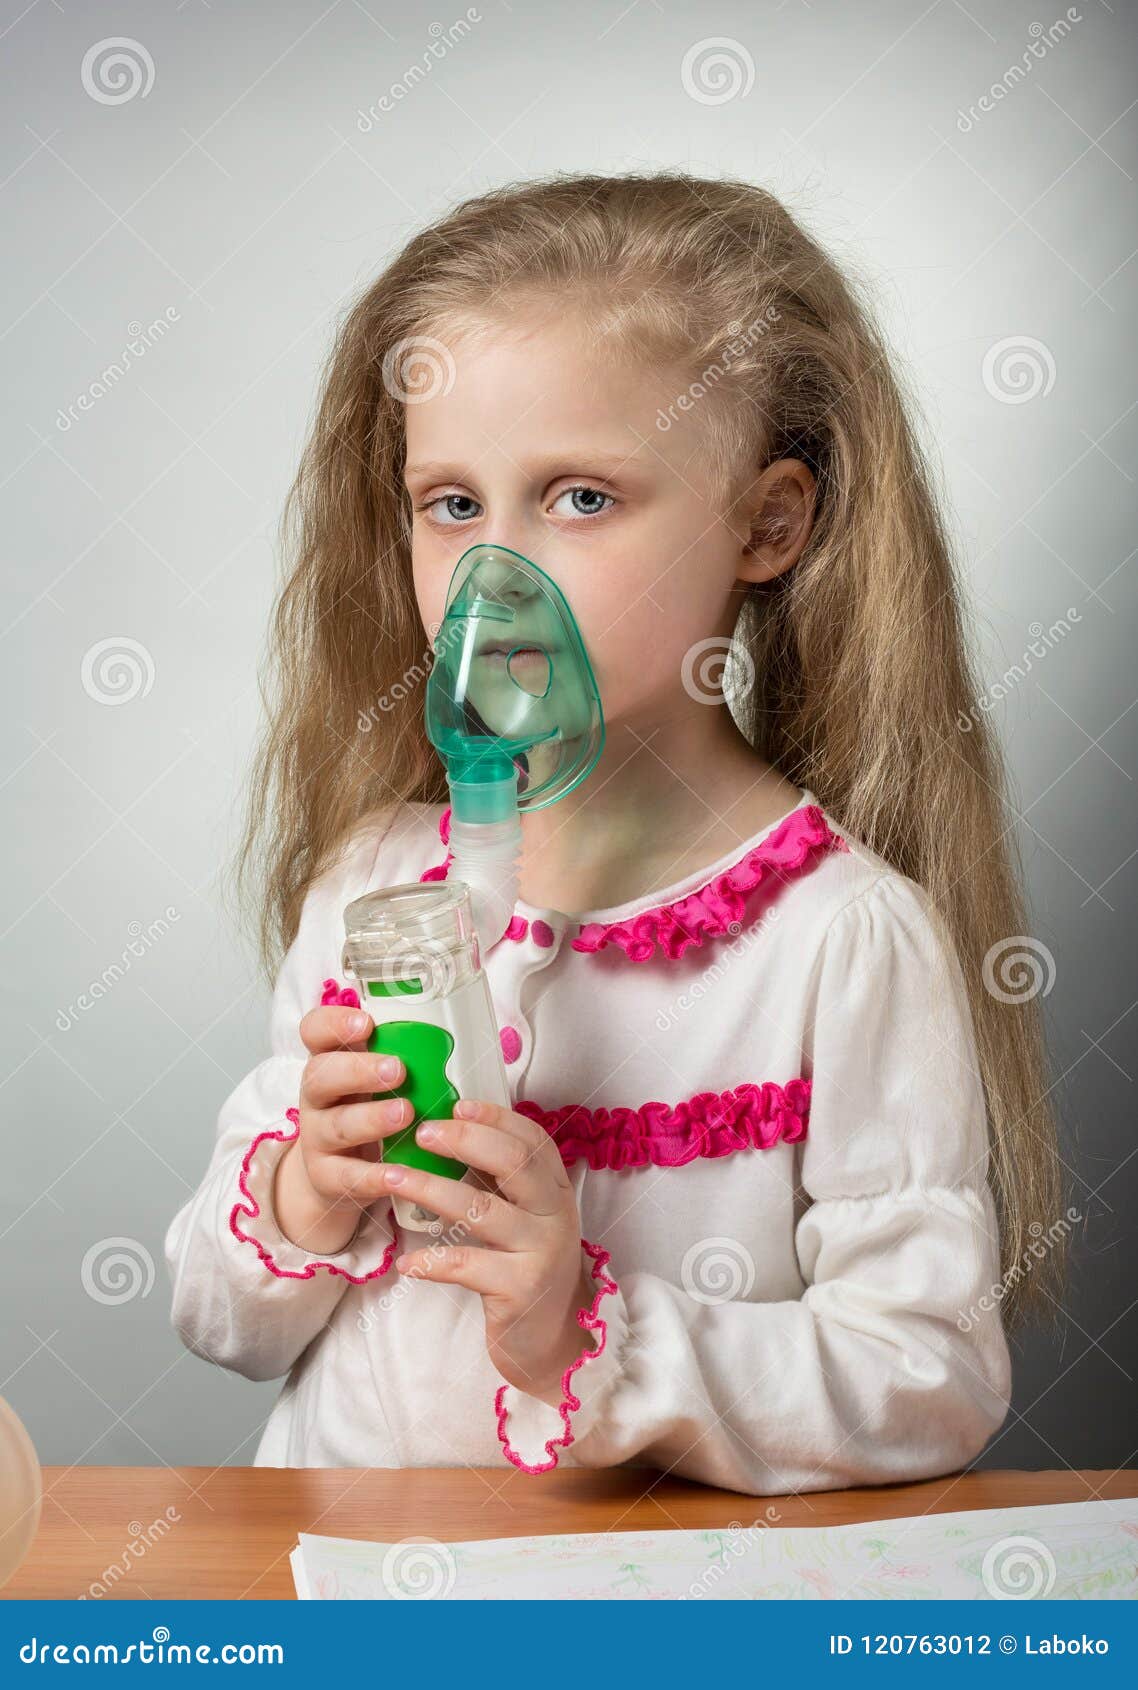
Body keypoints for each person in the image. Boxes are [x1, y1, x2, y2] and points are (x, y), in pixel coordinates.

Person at [164, 171, 1065, 1491]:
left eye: (581, 498)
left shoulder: (837, 937)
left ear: (766, 524)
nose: (492, 576)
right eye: (453, 504)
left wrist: (581, 1333)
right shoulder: (378, 884)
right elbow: (221, 1321)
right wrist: (305, 1189)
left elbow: (923, 1378)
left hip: (647, 1599)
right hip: (347, 1586)